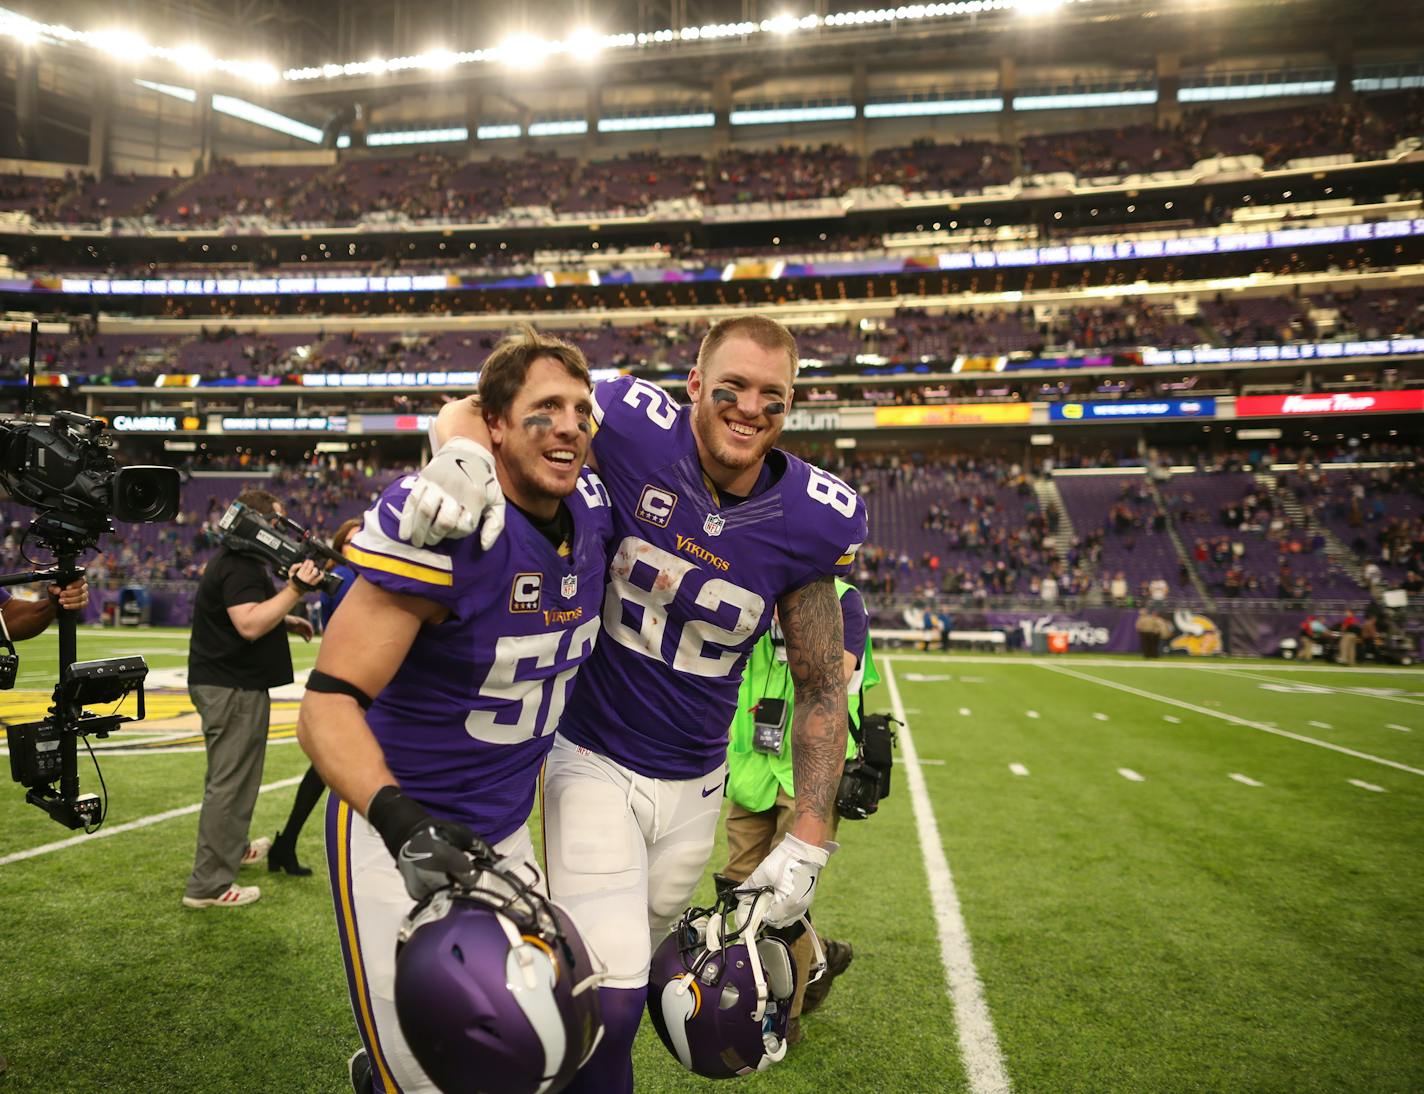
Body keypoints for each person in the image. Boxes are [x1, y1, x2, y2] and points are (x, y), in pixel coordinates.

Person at [410, 314, 867, 1092]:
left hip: (696, 785)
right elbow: (482, 408)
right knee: (614, 999)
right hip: (590, 754)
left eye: (773, 397)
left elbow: (822, 684)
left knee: (604, 977)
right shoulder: (626, 423)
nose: (750, 409)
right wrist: (458, 452)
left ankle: (447, 1056)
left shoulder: (813, 518)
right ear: (694, 385)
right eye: (731, 388)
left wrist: (812, 839)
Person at [297, 329, 612, 1094]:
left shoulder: (597, 510)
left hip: (503, 830)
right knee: (430, 1072)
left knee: (539, 1051)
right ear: (497, 425)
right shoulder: (444, 524)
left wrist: (461, 434)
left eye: (580, 408)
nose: (568, 424)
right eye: (544, 408)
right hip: (399, 828)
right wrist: (402, 823)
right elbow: (325, 710)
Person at [722, 578, 879, 1045]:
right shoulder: (751, 582)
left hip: (808, 773)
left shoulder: (843, 598)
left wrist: (790, 624)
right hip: (751, 769)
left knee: (785, 902)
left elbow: (841, 670)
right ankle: (820, 957)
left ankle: (781, 1018)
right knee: (739, 889)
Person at [182, 488, 321, 910]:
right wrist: (296, 590)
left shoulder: (238, 561)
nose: (281, 530)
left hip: (229, 682)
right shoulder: (241, 565)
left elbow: (250, 612)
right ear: (259, 524)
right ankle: (208, 886)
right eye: (275, 521)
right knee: (230, 784)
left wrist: (287, 616)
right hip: (231, 686)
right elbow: (247, 623)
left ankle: (233, 848)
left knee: (234, 779)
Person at [267, 517, 365, 878]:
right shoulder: (348, 580)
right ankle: (287, 842)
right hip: (354, 683)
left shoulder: (348, 578)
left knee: (325, 769)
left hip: (352, 680)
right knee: (336, 769)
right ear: (339, 548)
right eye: (351, 541)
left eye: (364, 538)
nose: (358, 545)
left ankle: (286, 842)